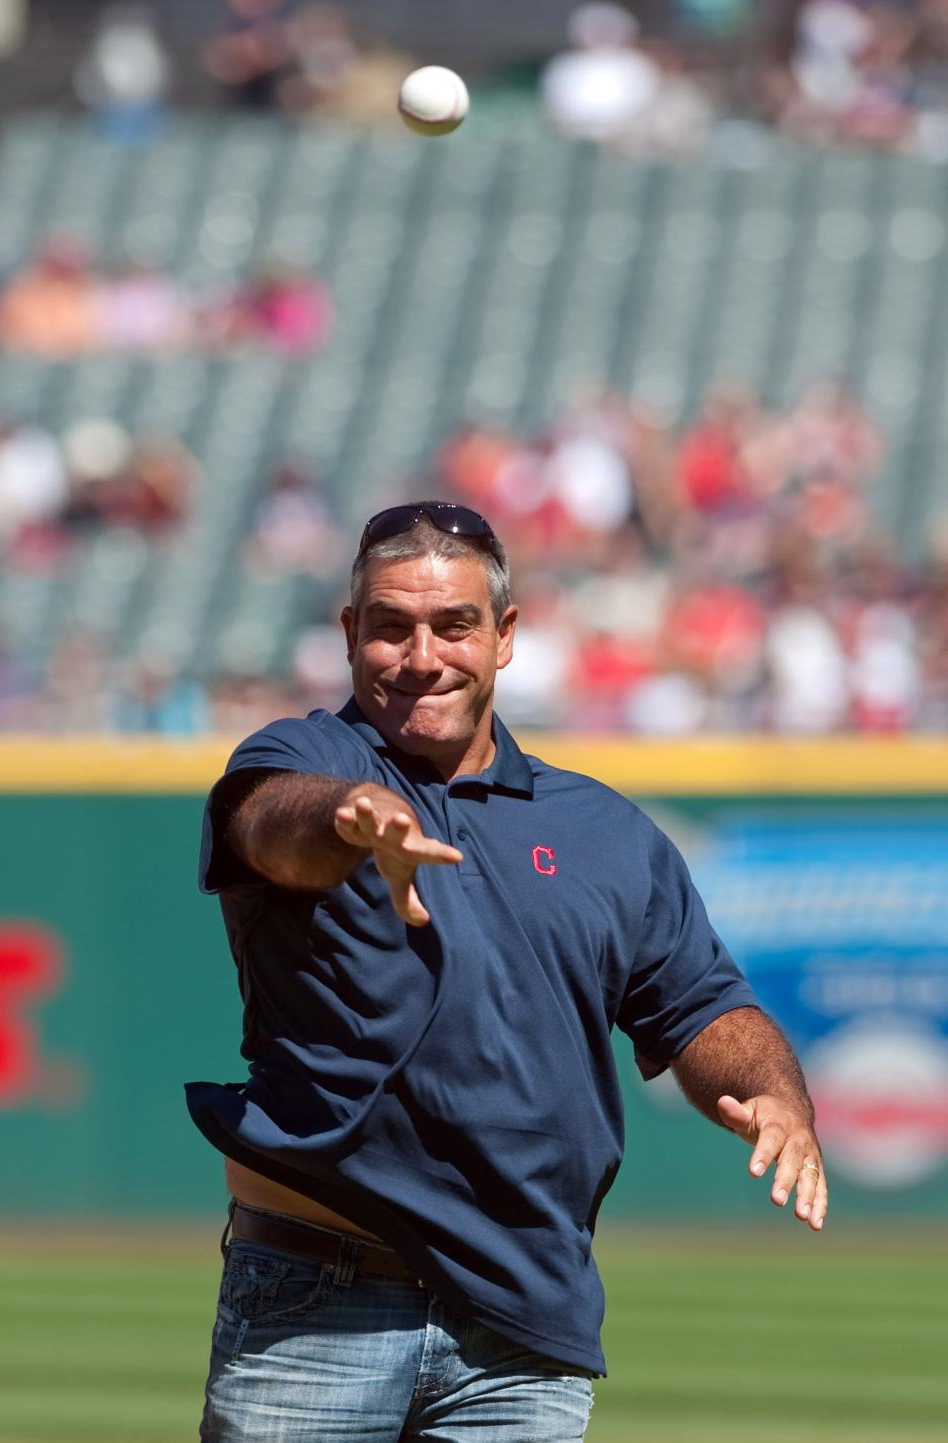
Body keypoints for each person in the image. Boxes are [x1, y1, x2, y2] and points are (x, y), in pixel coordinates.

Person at [188, 500, 828, 1442]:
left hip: (523, 1325)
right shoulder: (306, 758)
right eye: (390, 627)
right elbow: (270, 824)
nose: (421, 655)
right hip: (317, 1299)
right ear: (349, 633)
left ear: (507, 636)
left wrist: (776, 1092)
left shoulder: (606, 832)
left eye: (453, 625)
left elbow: (700, 1009)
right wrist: (351, 818)